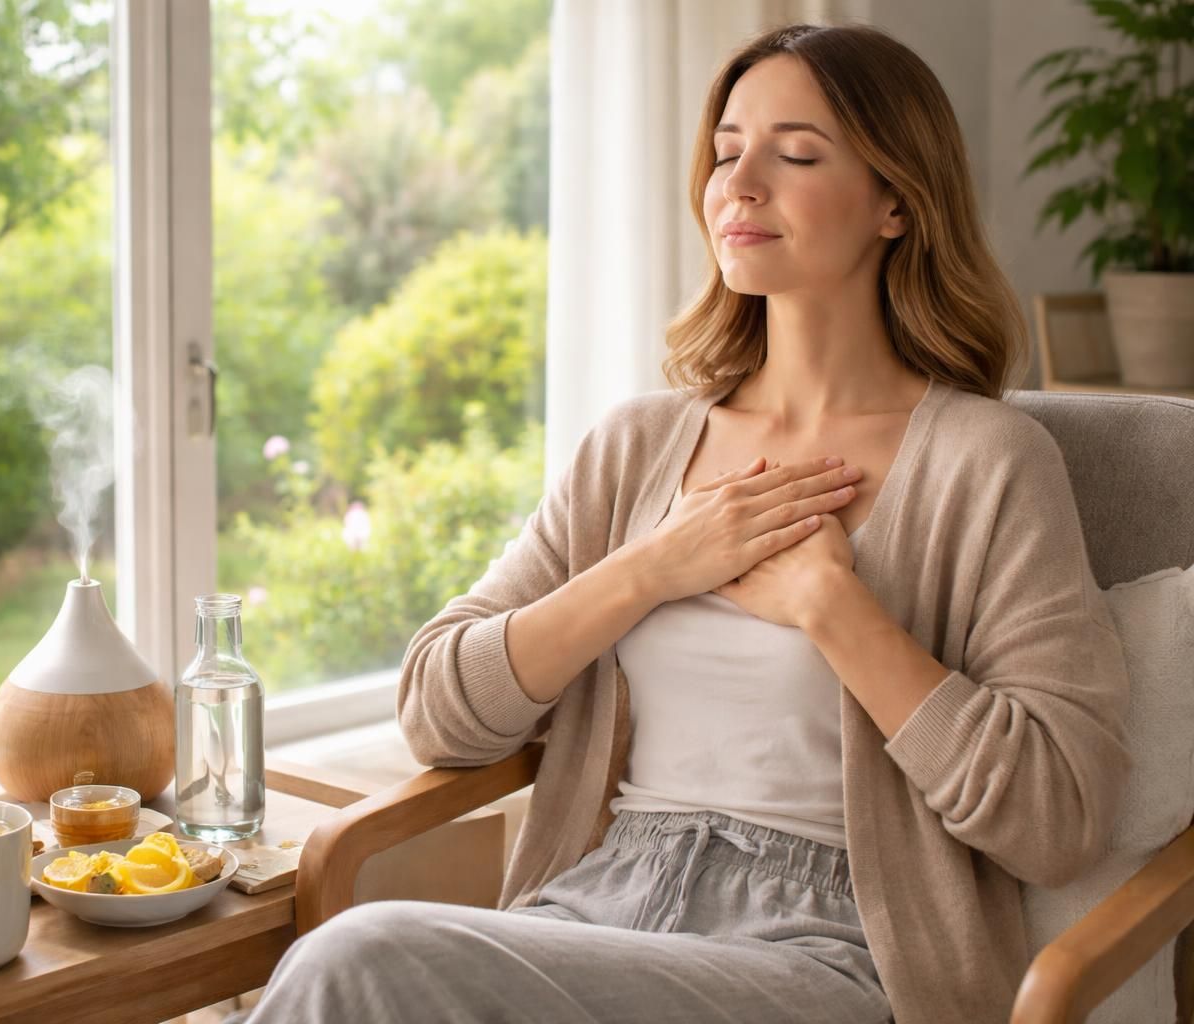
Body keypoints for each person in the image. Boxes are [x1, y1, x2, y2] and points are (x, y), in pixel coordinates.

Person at [225, 21, 1130, 1024]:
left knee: (357, 958)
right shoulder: (639, 448)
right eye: (726, 150)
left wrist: (838, 608)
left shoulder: (987, 462)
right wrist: (650, 567)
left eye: (794, 154)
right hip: (600, 905)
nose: (738, 185)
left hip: (832, 950)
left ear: (897, 202)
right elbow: (439, 705)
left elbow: (1060, 816)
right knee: (355, 965)